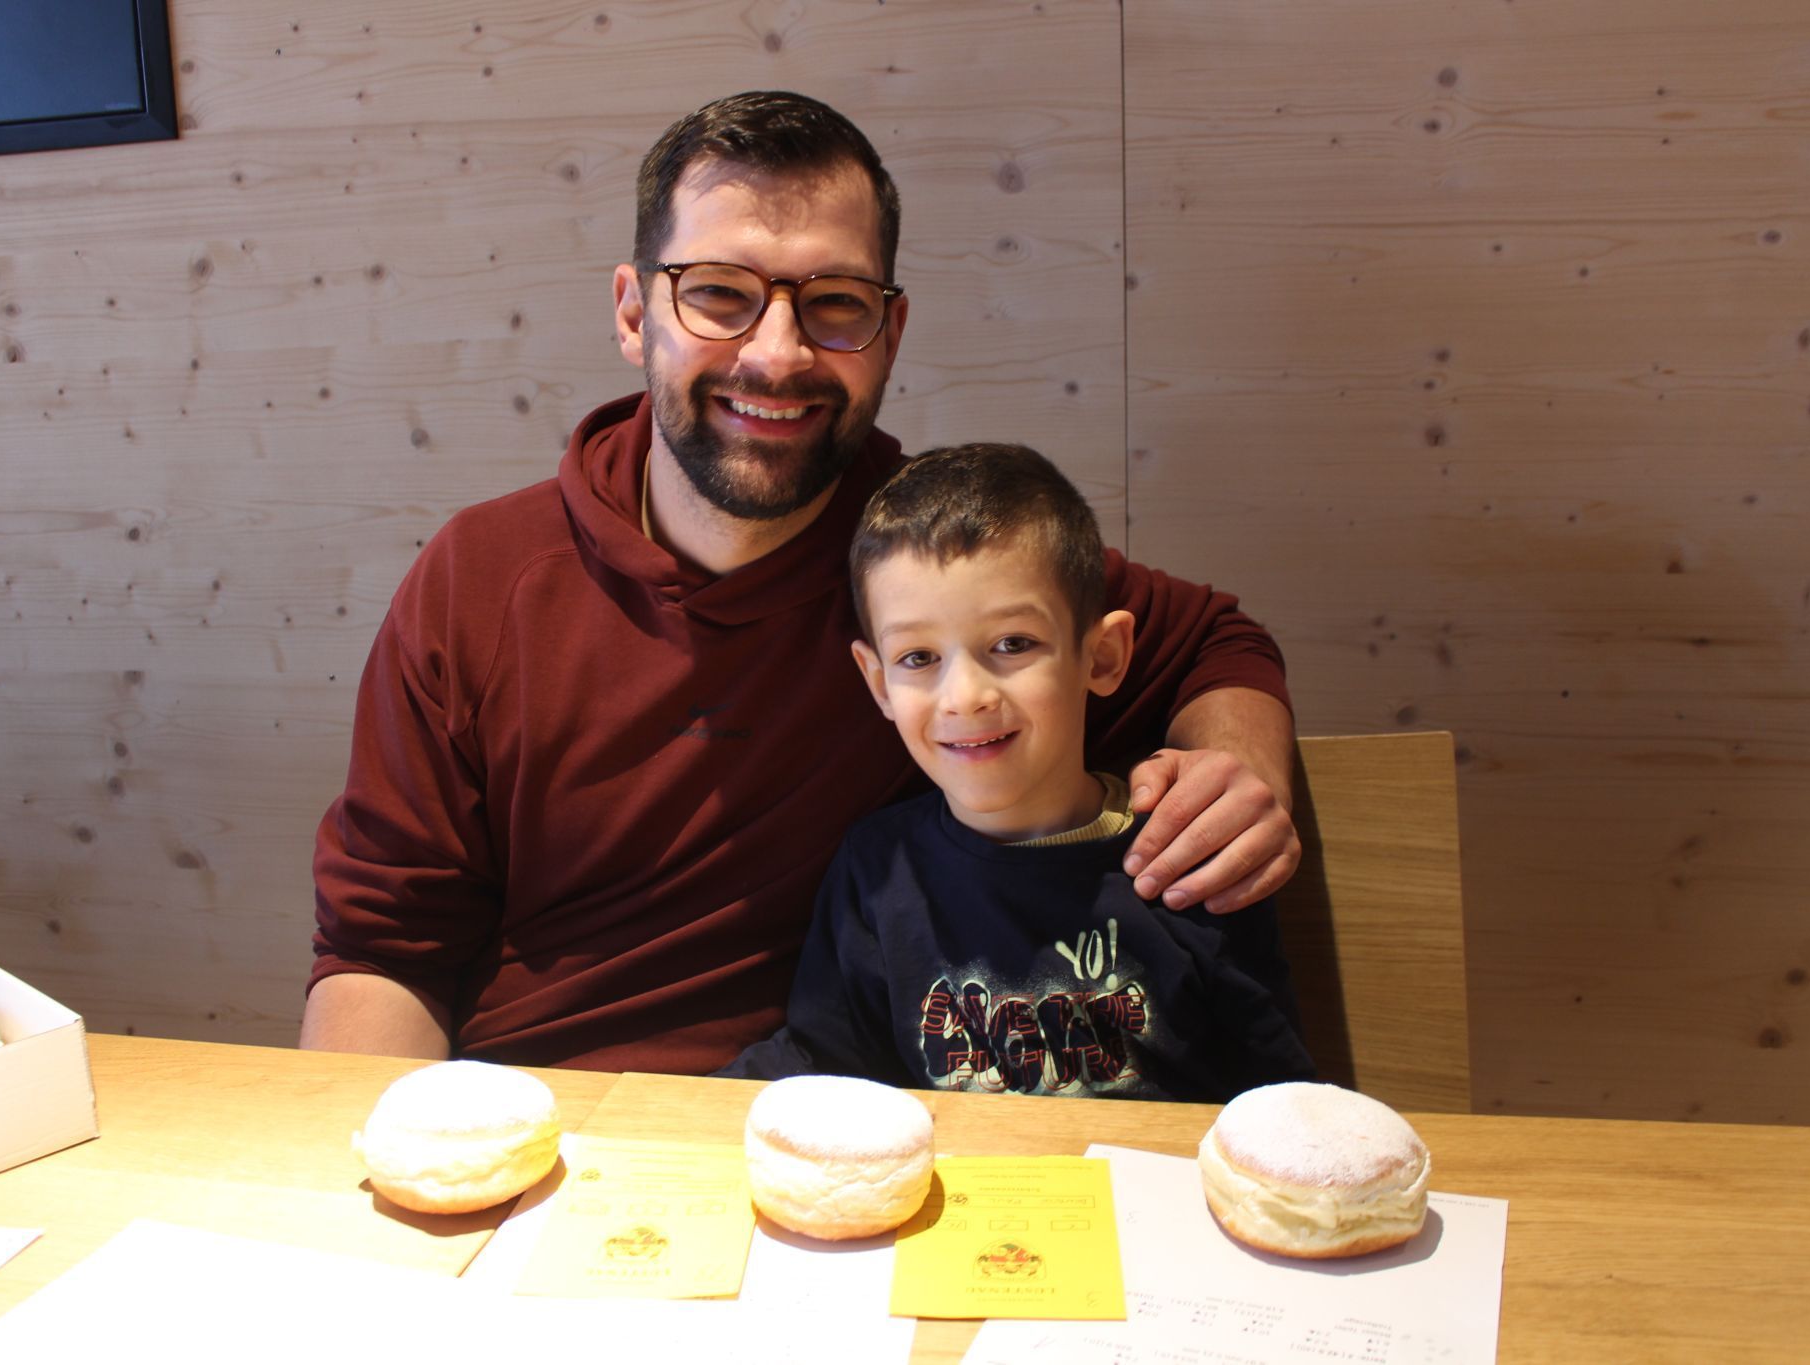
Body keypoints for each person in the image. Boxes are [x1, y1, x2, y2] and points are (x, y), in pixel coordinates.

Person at [299, 91, 1300, 1072]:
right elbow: (385, 951)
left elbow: (1216, 641)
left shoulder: (938, 565)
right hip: (542, 1128)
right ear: (632, 311)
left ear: (889, 335)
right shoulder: (477, 579)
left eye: (833, 306)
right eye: (719, 295)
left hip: (834, 1130)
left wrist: (1236, 777)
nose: (776, 356)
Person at [724, 444, 1314, 1099]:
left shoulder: (1191, 855)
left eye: (1011, 644)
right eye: (919, 656)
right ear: (878, 682)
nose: (964, 696)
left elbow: (1275, 1103)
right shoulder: (876, 869)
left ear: (1104, 655)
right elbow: (822, 1065)